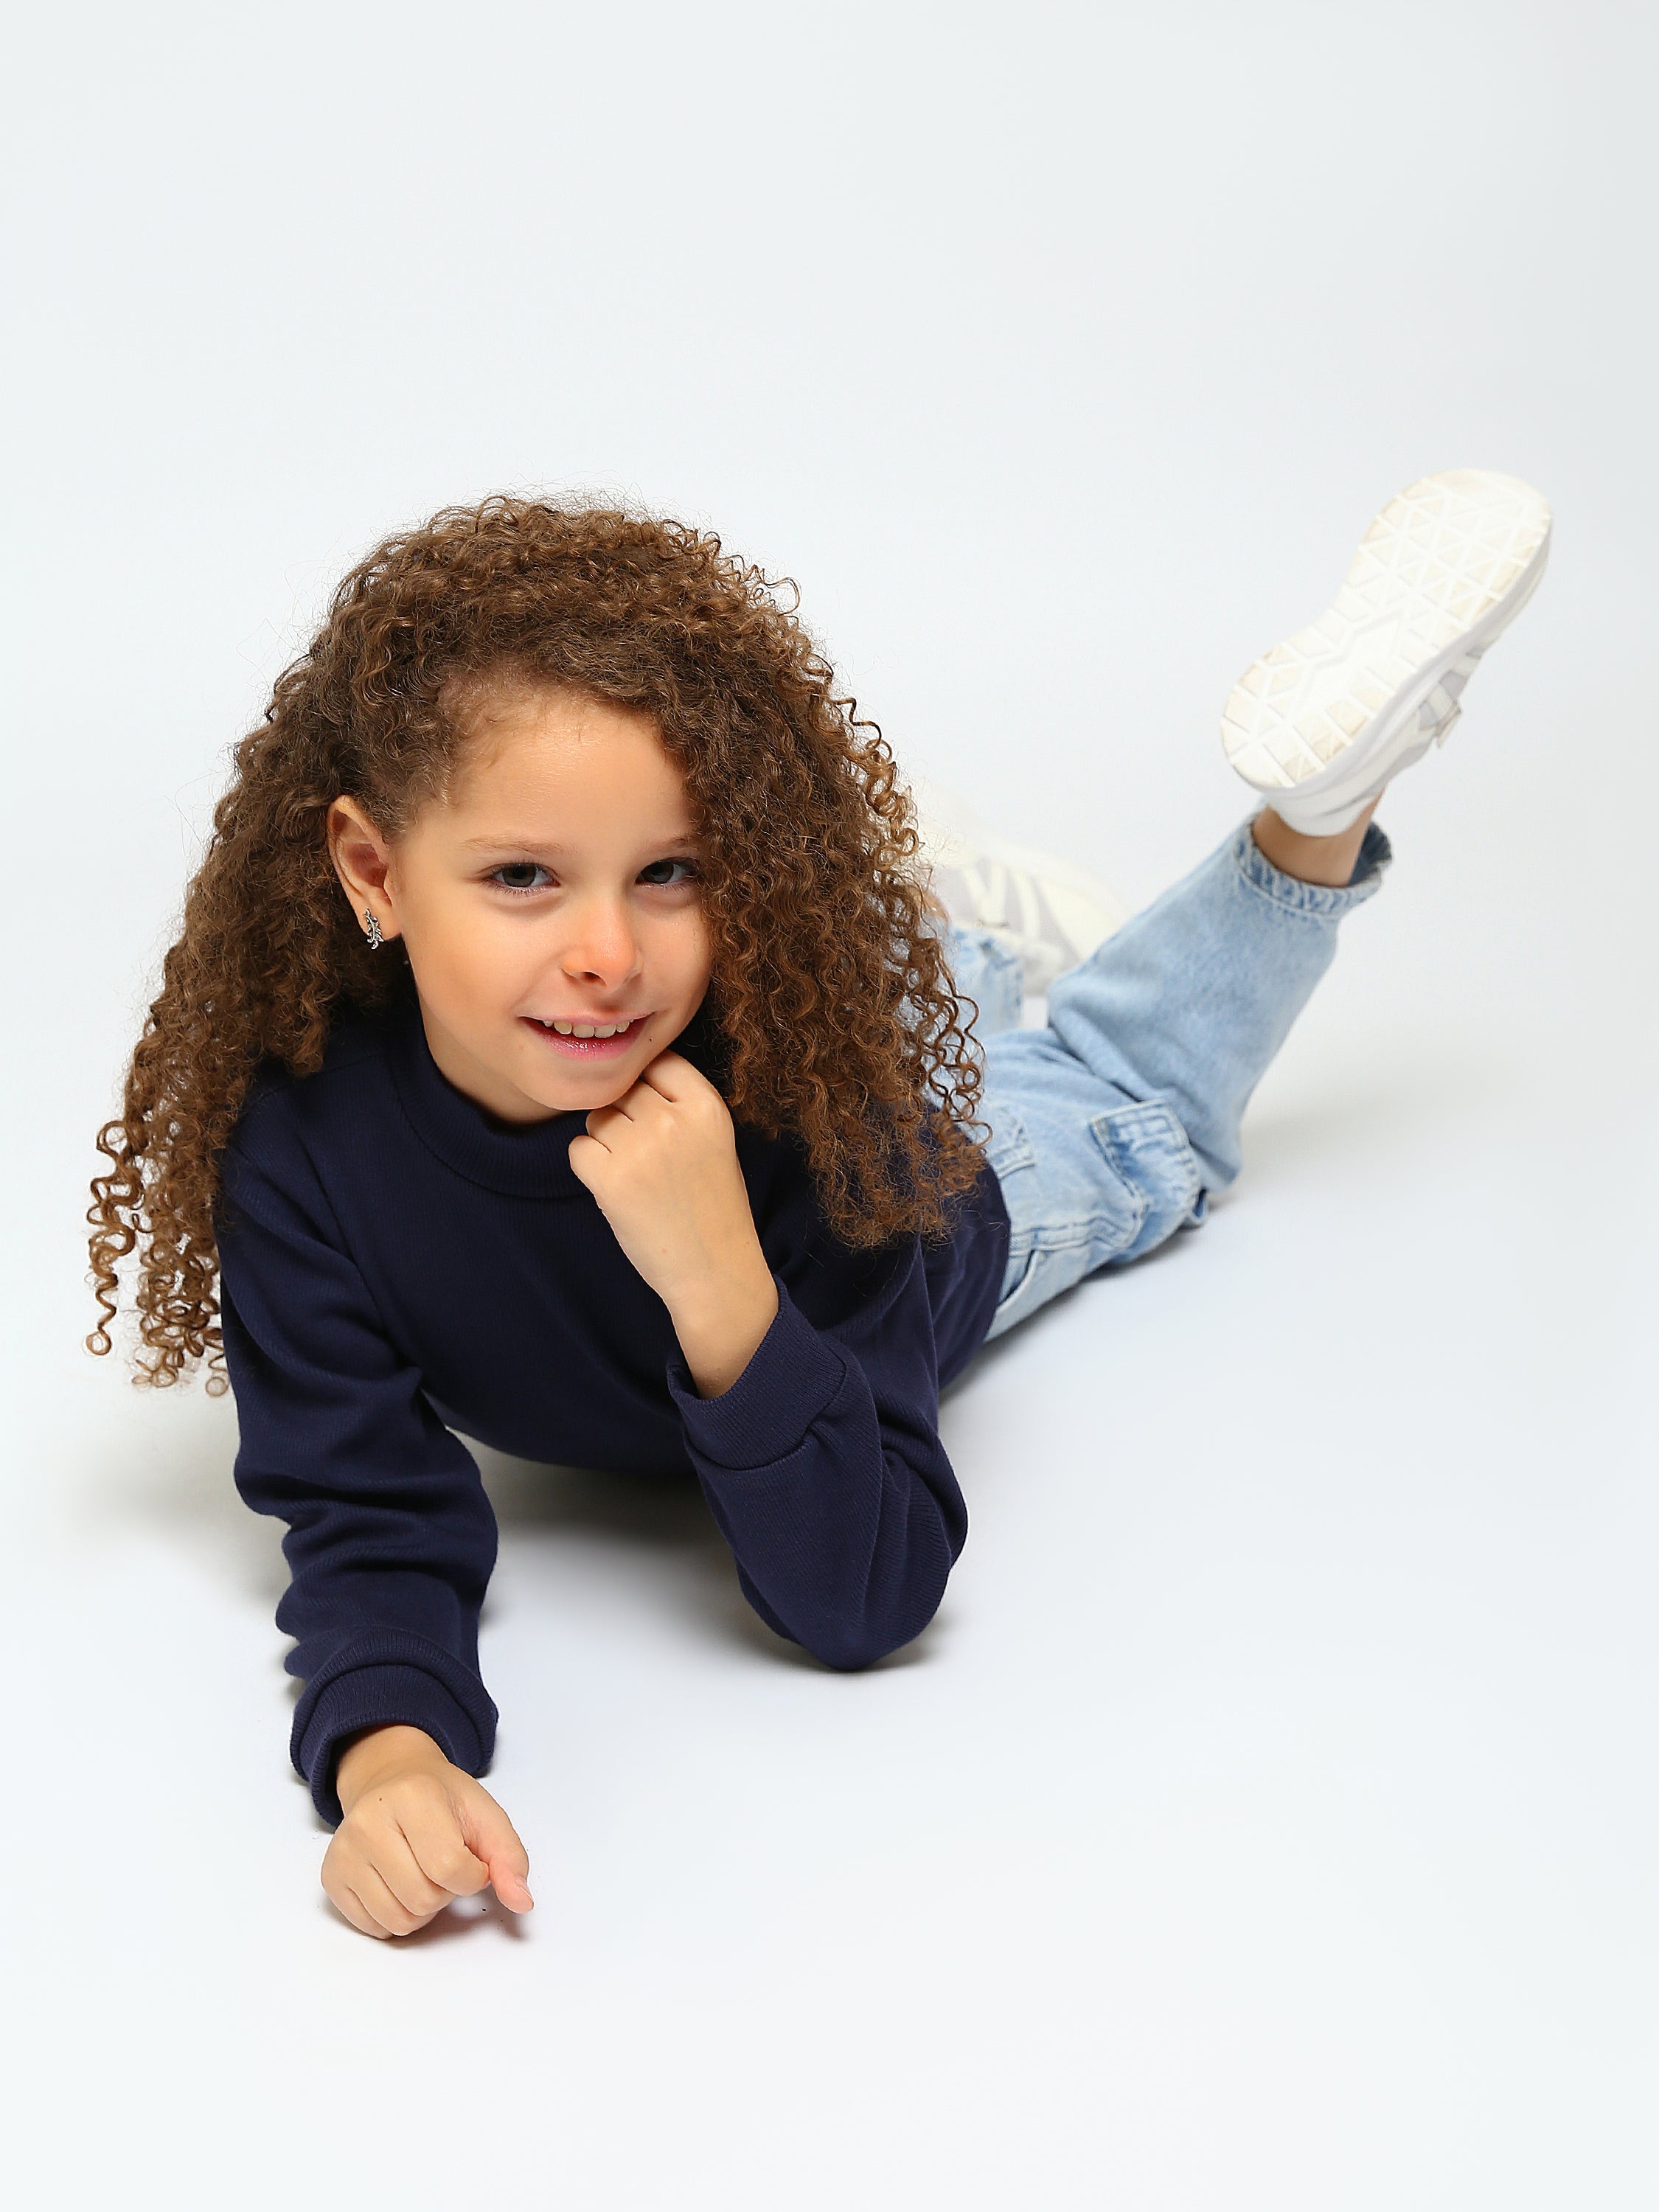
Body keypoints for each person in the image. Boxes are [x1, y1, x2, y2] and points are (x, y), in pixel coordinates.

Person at [86, 470, 1551, 1939]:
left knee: (1128, 1095)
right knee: (924, 993)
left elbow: (866, 1597)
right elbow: (363, 1507)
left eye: (671, 871)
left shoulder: (817, 1122)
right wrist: (390, 1756)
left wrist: (719, 1278)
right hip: (826, 1036)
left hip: (939, 1210)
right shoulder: (299, 1142)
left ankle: (1313, 817)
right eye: (523, 876)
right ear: (373, 872)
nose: (607, 954)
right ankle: (950, 926)